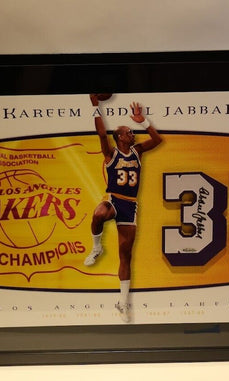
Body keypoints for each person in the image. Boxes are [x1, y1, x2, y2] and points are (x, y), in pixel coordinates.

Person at [84, 94, 163, 322]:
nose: (132, 134)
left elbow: (157, 140)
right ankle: (96, 247)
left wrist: (143, 121)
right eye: (129, 132)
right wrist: (96, 106)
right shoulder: (111, 153)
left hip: (130, 206)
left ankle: (123, 302)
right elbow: (101, 134)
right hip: (114, 199)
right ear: (119, 137)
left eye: (132, 131)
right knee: (99, 213)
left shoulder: (137, 151)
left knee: (125, 255)